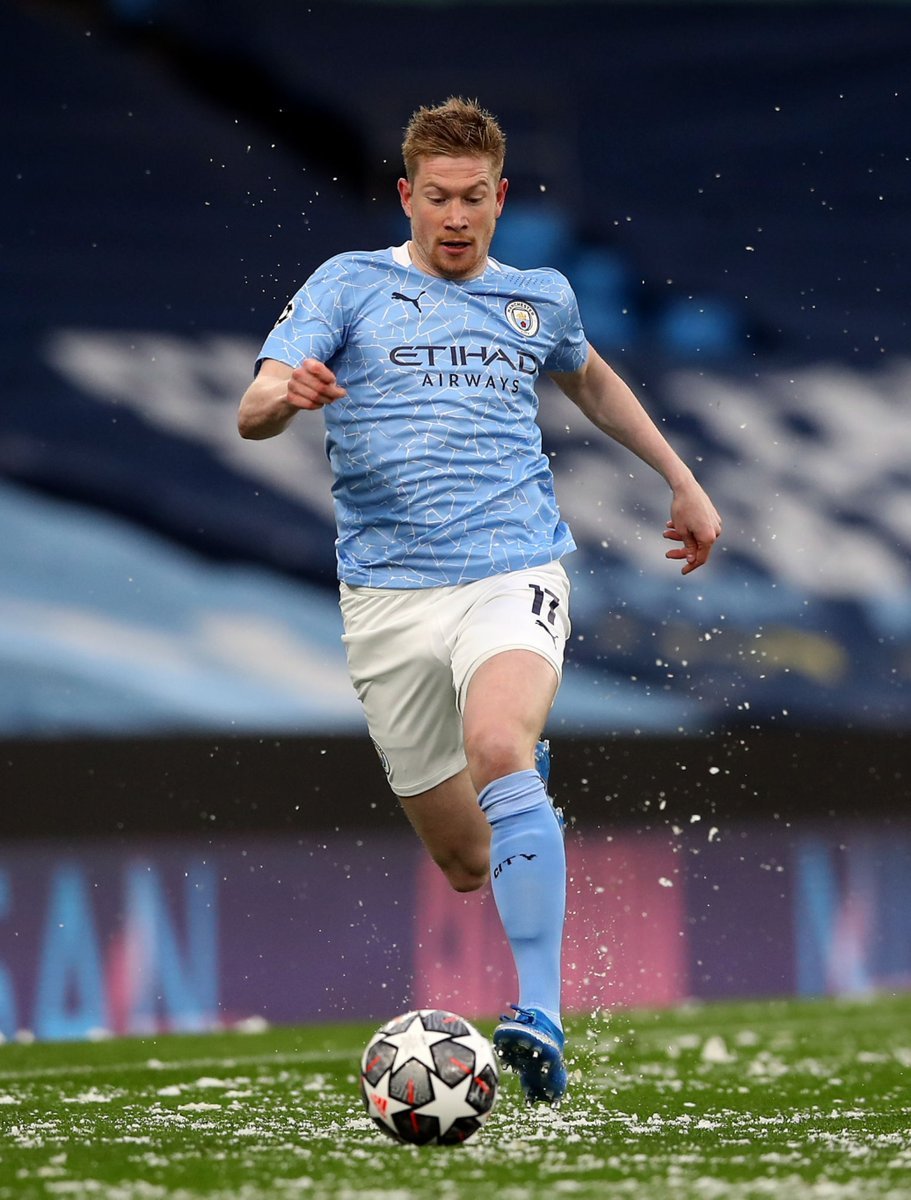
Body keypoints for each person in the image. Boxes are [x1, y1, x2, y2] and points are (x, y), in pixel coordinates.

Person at [238, 97, 722, 1105]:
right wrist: (285, 395)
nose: (454, 217)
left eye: (472, 198)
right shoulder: (347, 284)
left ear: (500, 198)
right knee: (464, 860)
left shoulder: (538, 297)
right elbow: (253, 408)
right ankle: (519, 778)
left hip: (512, 571)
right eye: (436, 198)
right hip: (387, 601)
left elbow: (592, 383)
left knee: (497, 744)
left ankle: (538, 1012)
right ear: (405, 196)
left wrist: (680, 479)